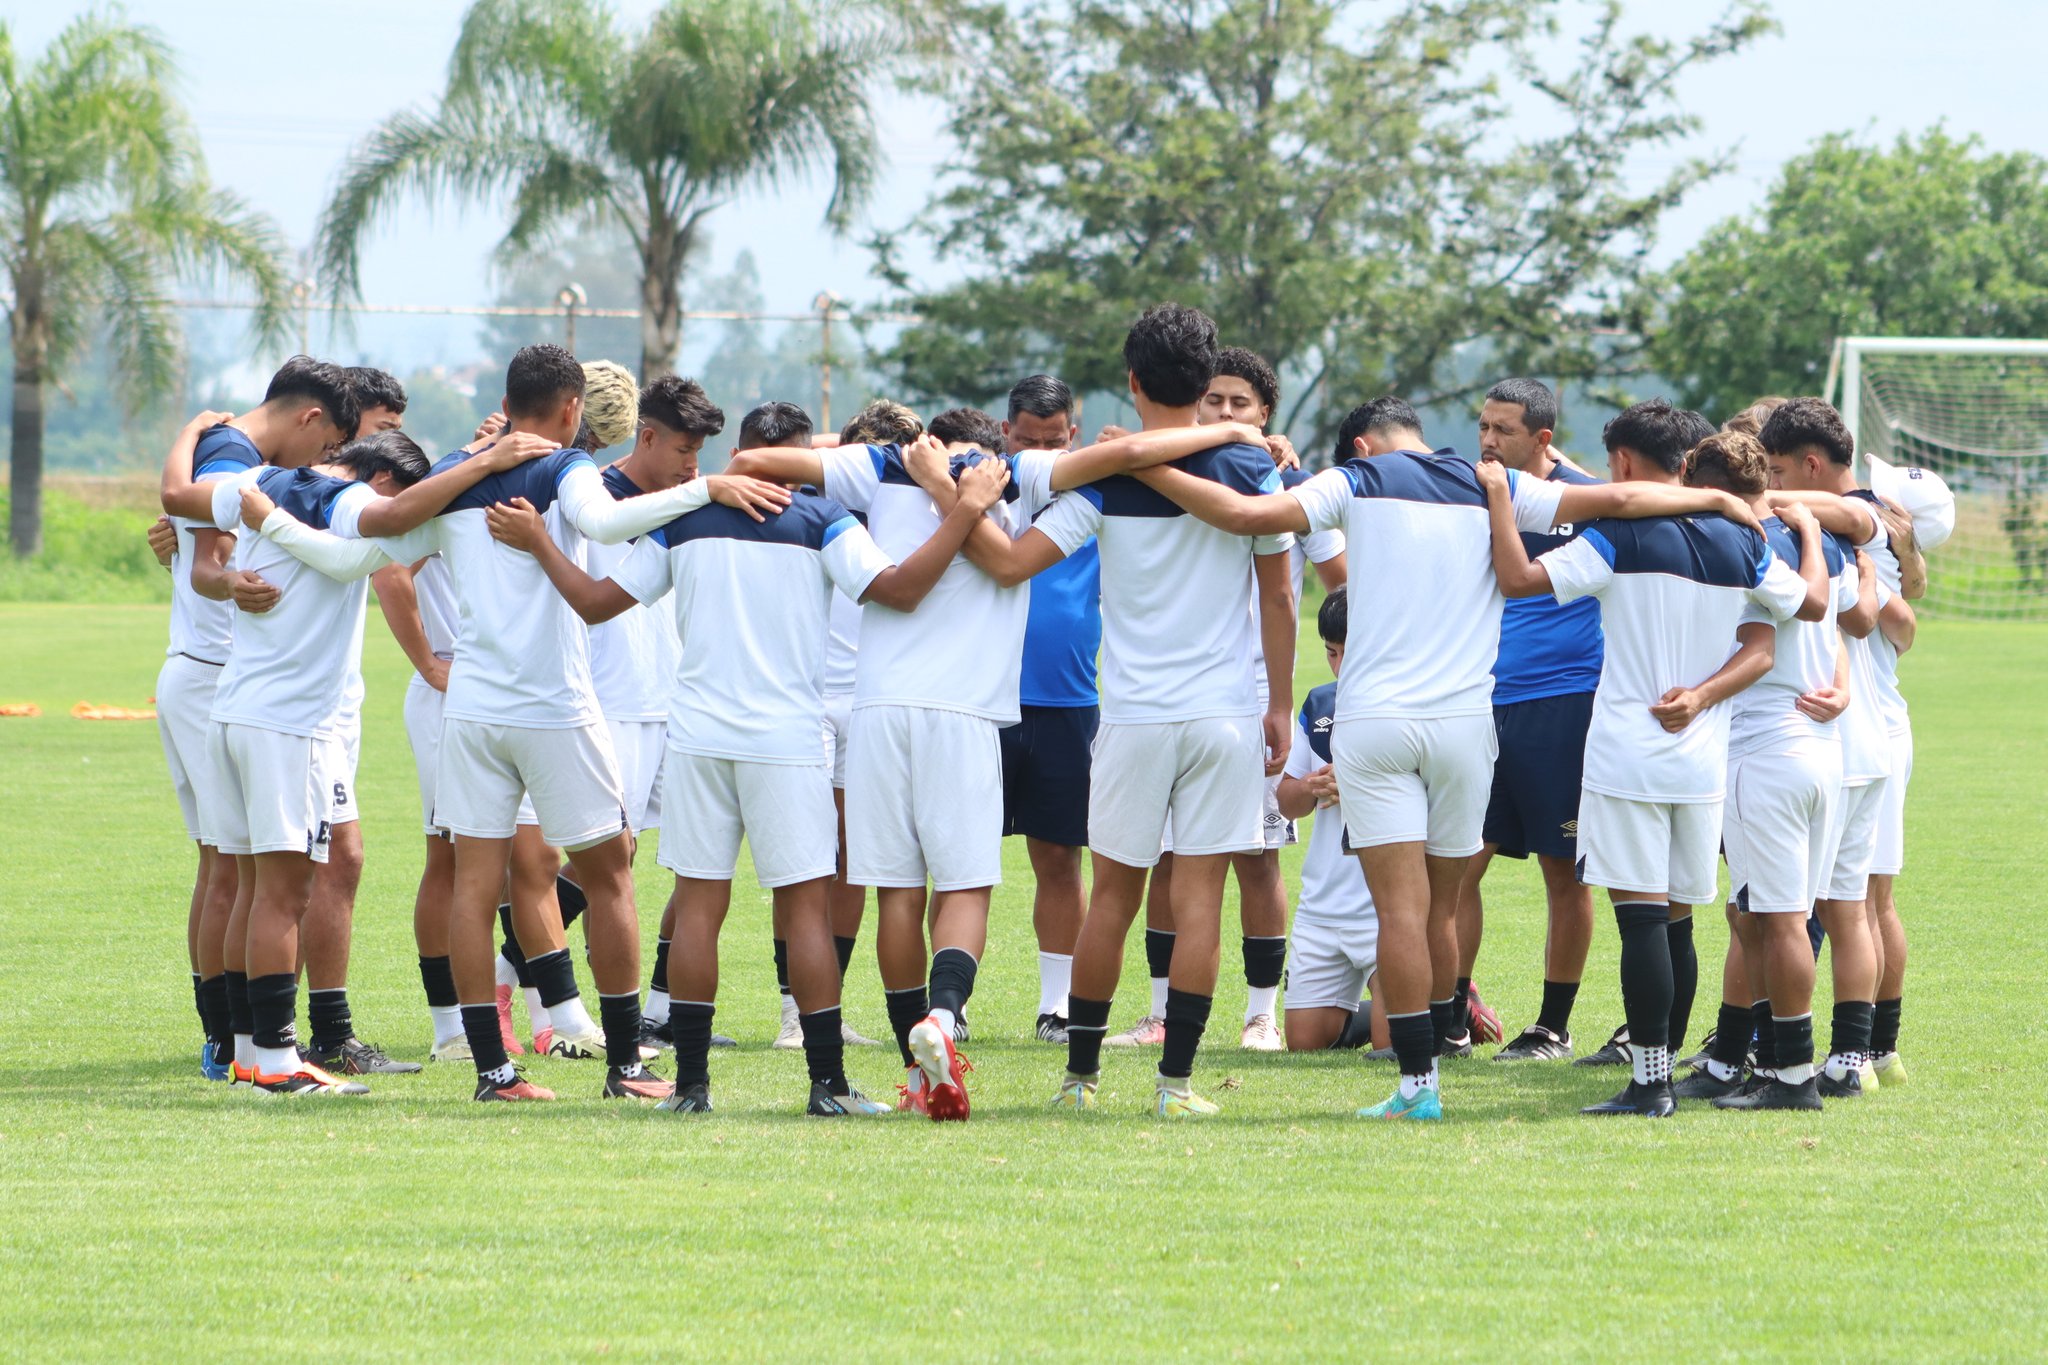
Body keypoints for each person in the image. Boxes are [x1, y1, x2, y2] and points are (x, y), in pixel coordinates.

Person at [1116, 395, 1759, 1119]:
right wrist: (1713, 498)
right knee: (1444, 909)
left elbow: (1243, 516)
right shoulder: (1491, 481)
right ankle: (1449, 1039)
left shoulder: (1356, 480)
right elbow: (1618, 493)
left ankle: (1418, 1087)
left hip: (1378, 722)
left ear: (1363, 446)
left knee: (1399, 909)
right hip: (1464, 725)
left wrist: (1149, 467)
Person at [256, 343, 786, 1102]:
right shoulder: (565, 467)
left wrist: (264, 519)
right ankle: (626, 1064)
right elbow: (604, 525)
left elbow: (351, 561)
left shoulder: (453, 479)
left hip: (469, 709)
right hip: (552, 707)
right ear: (572, 409)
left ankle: (493, 1072)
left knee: (476, 885)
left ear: (508, 401)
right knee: (610, 871)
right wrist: (708, 492)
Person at [728, 389, 1271, 1120]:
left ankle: (920, 1070)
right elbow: (1133, 454)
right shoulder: (1020, 477)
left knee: (897, 892)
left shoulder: (880, 464)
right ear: (999, 443)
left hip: (878, 709)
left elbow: (757, 457)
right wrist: (1240, 430)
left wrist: (750, 475)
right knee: (966, 890)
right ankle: (945, 1016)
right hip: (969, 714)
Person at [487, 441, 1011, 1115]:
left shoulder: (686, 519)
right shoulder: (822, 518)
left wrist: (538, 540)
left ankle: (692, 1088)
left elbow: (591, 602)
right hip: (785, 742)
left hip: (699, 739)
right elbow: (903, 591)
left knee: (699, 905)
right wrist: (966, 509)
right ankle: (828, 1086)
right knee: (805, 912)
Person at [931, 304, 1298, 1119]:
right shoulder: (1252, 468)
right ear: (1209, 387)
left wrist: (947, 505)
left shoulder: (1101, 478)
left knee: (1113, 897)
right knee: (1201, 897)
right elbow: (1278, 593)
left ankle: (1079, 1079)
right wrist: (1279, 701)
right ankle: (1175, 1085)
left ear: (1131, 382)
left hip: (1130, 716)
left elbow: (1012, 563)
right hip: (1225, 714)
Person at [162, 423, 552, 1094]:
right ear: (378, 481)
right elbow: (387, 526)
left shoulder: (259, 483)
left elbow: (179, 498)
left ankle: (252, 1053)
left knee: (255, 890)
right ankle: (281, 1064)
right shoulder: (344, 504)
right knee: (285, 895)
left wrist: (194, 442)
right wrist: (484, 460)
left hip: (233, 711)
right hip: (288, 726)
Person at [1478, 405, 1828, 1117]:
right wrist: (1812, 539)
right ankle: (1668, 1074)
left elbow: (1515, 579)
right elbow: (1813, 605)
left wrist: (1496, 500)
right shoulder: (1744, 545)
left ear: (1629, 465)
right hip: (1702, 759)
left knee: (1640, 925)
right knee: (1676, 923)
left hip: (1628, 754)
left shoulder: (1621, 535)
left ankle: (1651, 1082)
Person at [1128, 346, 1340, 1053]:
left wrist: (1296, 484)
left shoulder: (1281, 483)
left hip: (1253, 694)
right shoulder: (1177, 468)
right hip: (1172, 694)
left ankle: (1260, 1014)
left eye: (1238, 404)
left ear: (1266, 414)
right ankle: (1158, 1012)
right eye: (1212, 400)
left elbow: (1338, 576)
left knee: (1256, 857)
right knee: (1165, 857)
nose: (1223, 412)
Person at [154, 358, 359, 1080]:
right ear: (309, 418)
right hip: (220, 676)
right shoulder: (235, 454)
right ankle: (239, 1046)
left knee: (233, 872)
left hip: (215, 676)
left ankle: (239, 1045)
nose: (325, 464)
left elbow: (188, 541)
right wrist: (227, 577)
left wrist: (200, 561)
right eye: (331, 444)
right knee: (236, 875)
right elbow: (204, 554)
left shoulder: (242, 454)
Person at [1666, 433, 1869, 1110]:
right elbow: (1839, 623)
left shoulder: (1734, 546)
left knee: (1777, 920)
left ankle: (1790, 1076)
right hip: (1821, 748)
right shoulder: (1822, 539)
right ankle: (1736, 1059)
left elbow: (1767, 638)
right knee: (1756, 914)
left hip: (1763, 747)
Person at [1757, 397, 1922, 1091]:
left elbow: (1858, 525)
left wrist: (1750, 496)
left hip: (1845, 733)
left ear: (1811, 466)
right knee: (1863, 904)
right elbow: (1904, 620)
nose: (1769, 480)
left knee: (1828, 908)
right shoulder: (1866, 529)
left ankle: (1805, 1056)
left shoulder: (1858, 515)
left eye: (1777, 468)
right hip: (1874, 731)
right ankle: (1866, 1054)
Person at [1461, 378, 1604, 1063]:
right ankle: (1452, 1013)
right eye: (1483, 425)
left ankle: (1552, 1025)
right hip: (1476, 700)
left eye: (1504, 429)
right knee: (1459, 864)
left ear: (1542, 438)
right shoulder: (1467, 489)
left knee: (1563, 870)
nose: (1488, 440)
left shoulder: (1583, 498)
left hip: (1562, 701)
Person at [994, 375, 1096, 1045]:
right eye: (1025, 441)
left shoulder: (1099, 493)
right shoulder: (976, 485)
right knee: (961, 855)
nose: (1038, 456)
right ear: (1006, 434)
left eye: (1052, 443)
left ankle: (1056, 1004)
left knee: (1059, 857)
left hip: (1069, 701)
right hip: (982, 697)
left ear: (1073, 438)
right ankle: (954, 1001)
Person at [1276, 587, 1388, 1053]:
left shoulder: (1404, 707)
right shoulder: (1319, 704)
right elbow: (1286, 800)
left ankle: (1445, 1004)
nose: (1339, 666)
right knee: (1304, 1044)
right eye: (1331, 652)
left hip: (1386, 909)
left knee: (1393, 1050)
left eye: (1349, 652)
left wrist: (1363, 786)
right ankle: (1421, 1007)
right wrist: (1311, 787)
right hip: (1324, 907)